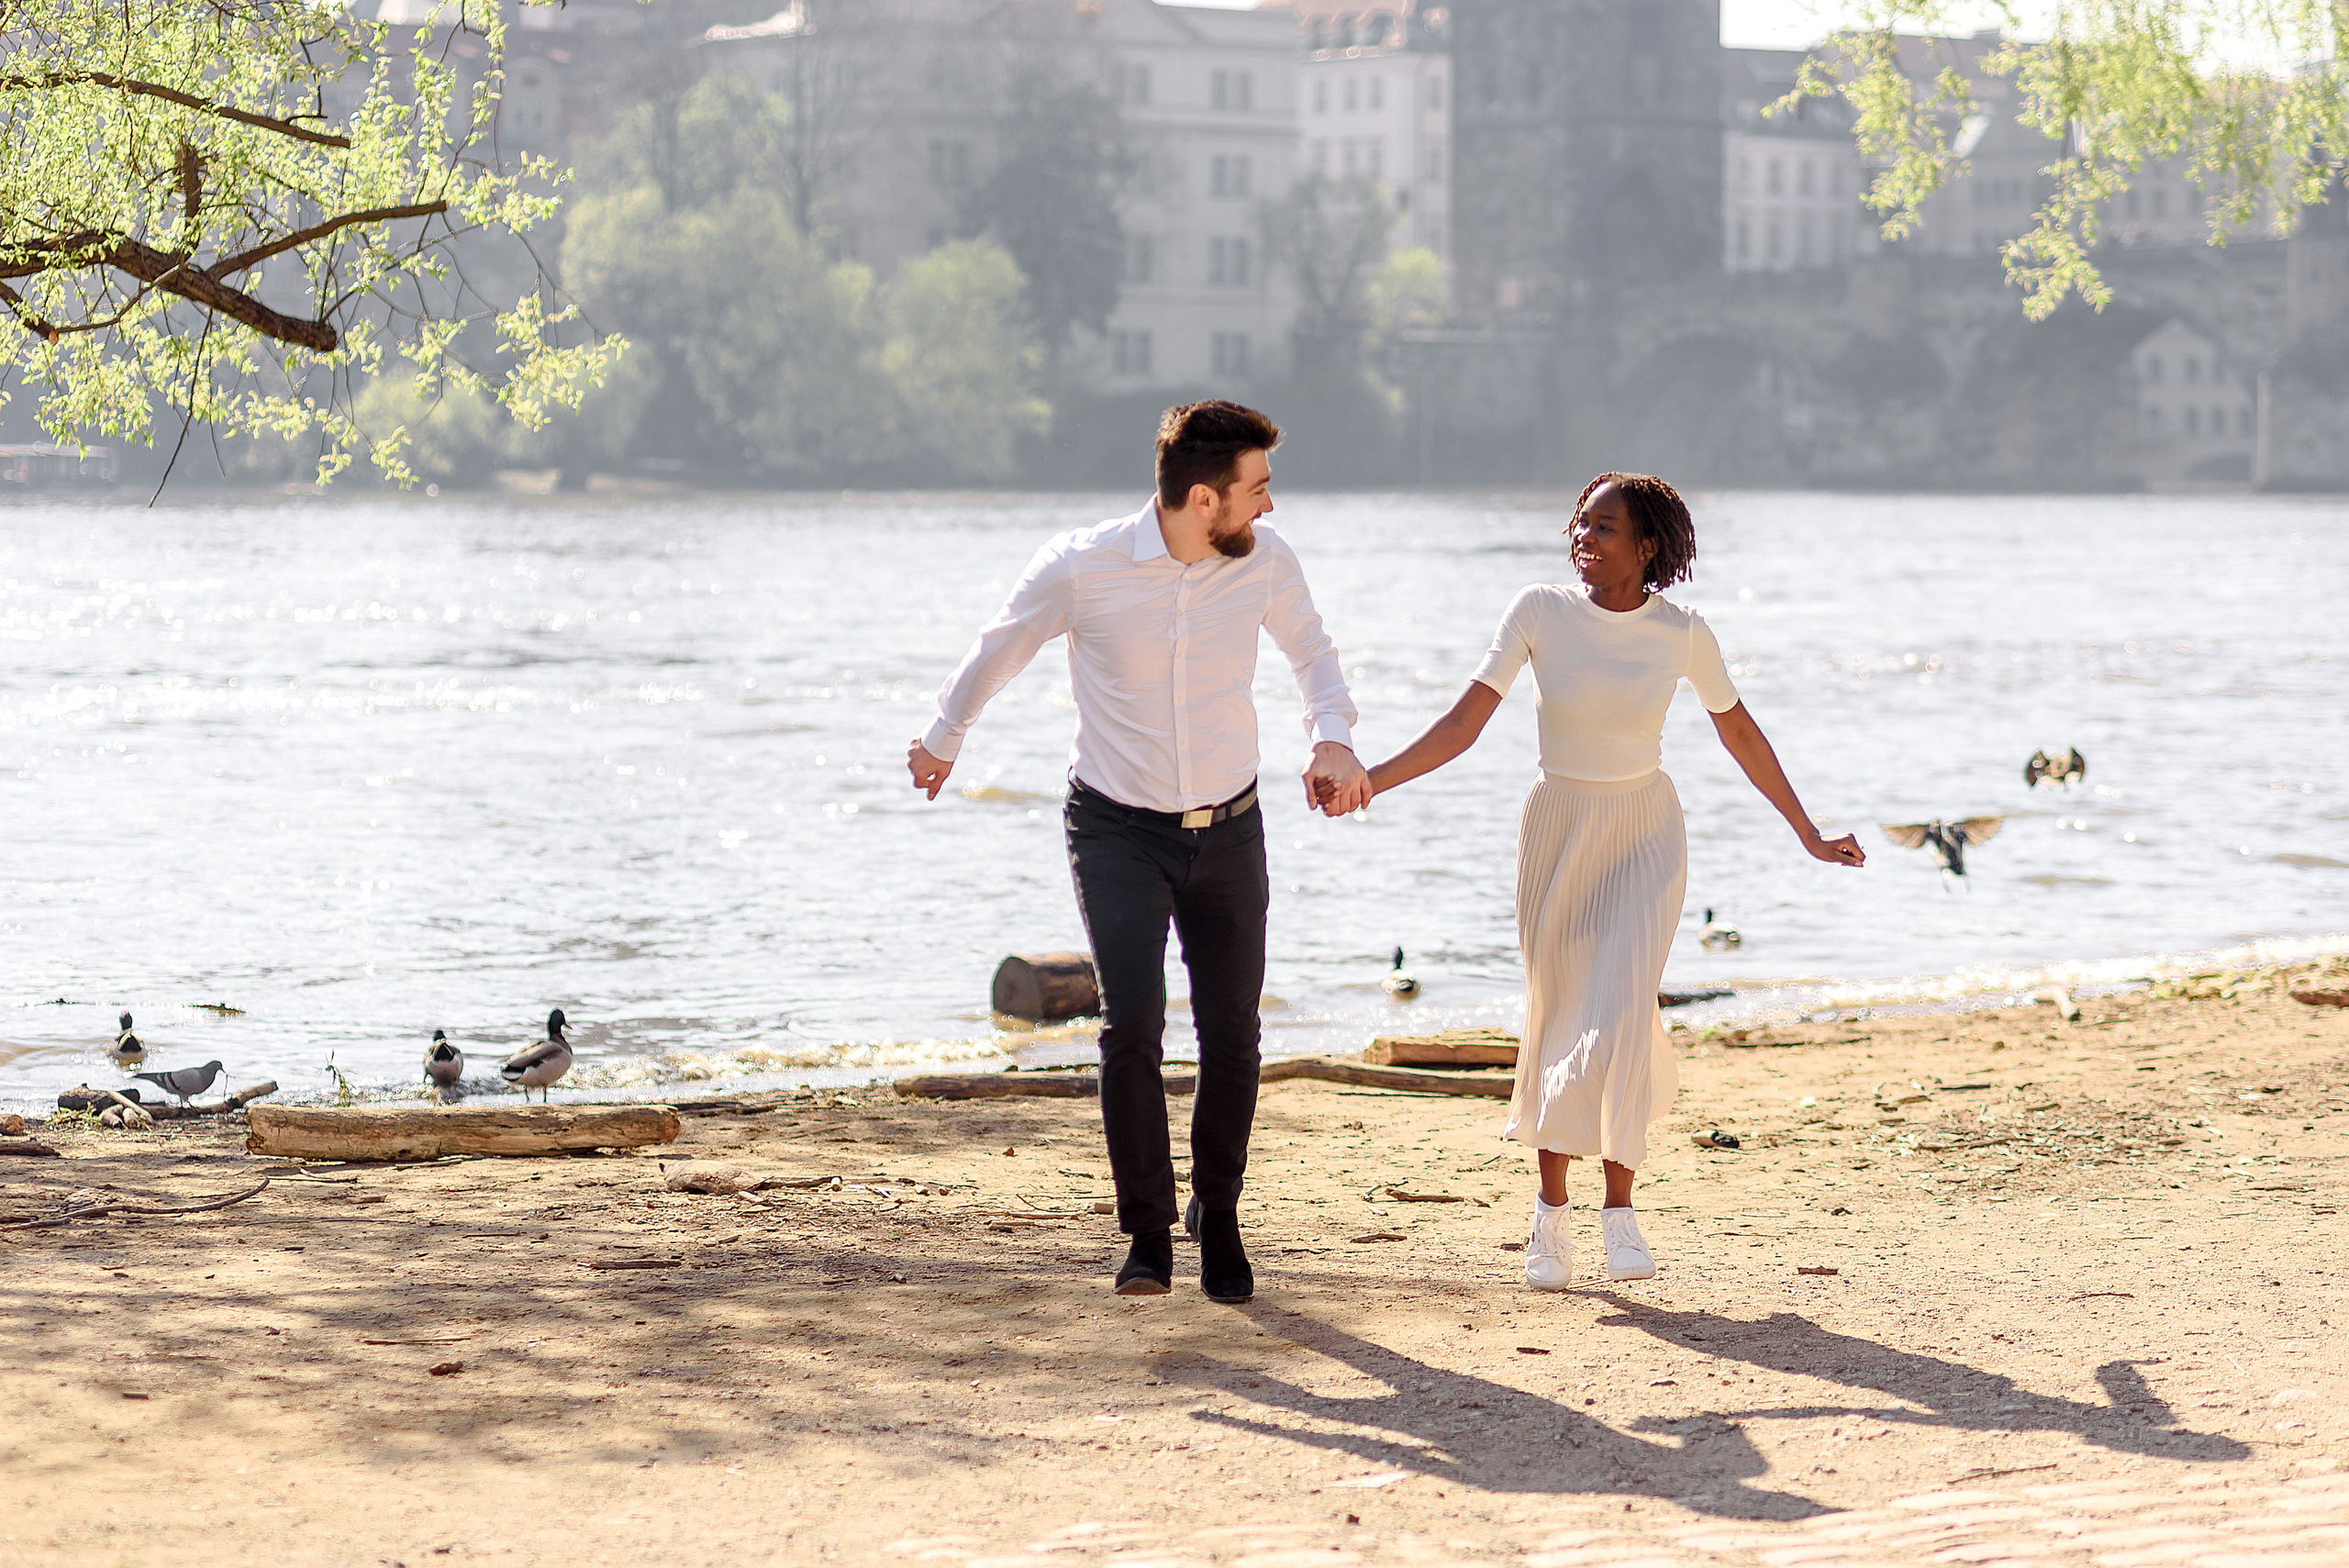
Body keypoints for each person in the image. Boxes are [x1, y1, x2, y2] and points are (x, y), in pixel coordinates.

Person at [907, 401, 1370, 1304]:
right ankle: (1148, 1235)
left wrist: (1332, 737)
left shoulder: (1265, 562)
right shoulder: (1083, 566)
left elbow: (1314, 655)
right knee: (1133, 1027)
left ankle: (1219, 1212)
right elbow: (1000, 645)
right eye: (1256, 489)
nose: (1268, 508)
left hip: (1230, 826)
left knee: (1233, 1031)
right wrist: (943, 735)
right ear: (1205, 499)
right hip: (1115, 827)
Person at [1356, 473, 1864, 1290]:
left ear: (1648, 544)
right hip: (1559, 830)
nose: (1583, 539)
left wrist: (1804, 831)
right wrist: (1372, 781)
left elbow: (1738, 728)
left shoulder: (1682, 632)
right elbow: (1464, 722)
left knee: (1624, 1010)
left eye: (1604, 528)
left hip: (1645, 831)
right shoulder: (1538, 611)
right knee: (1561, 1020)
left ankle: (1619, 1213)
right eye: (1580, 525)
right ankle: (1550, 1214)